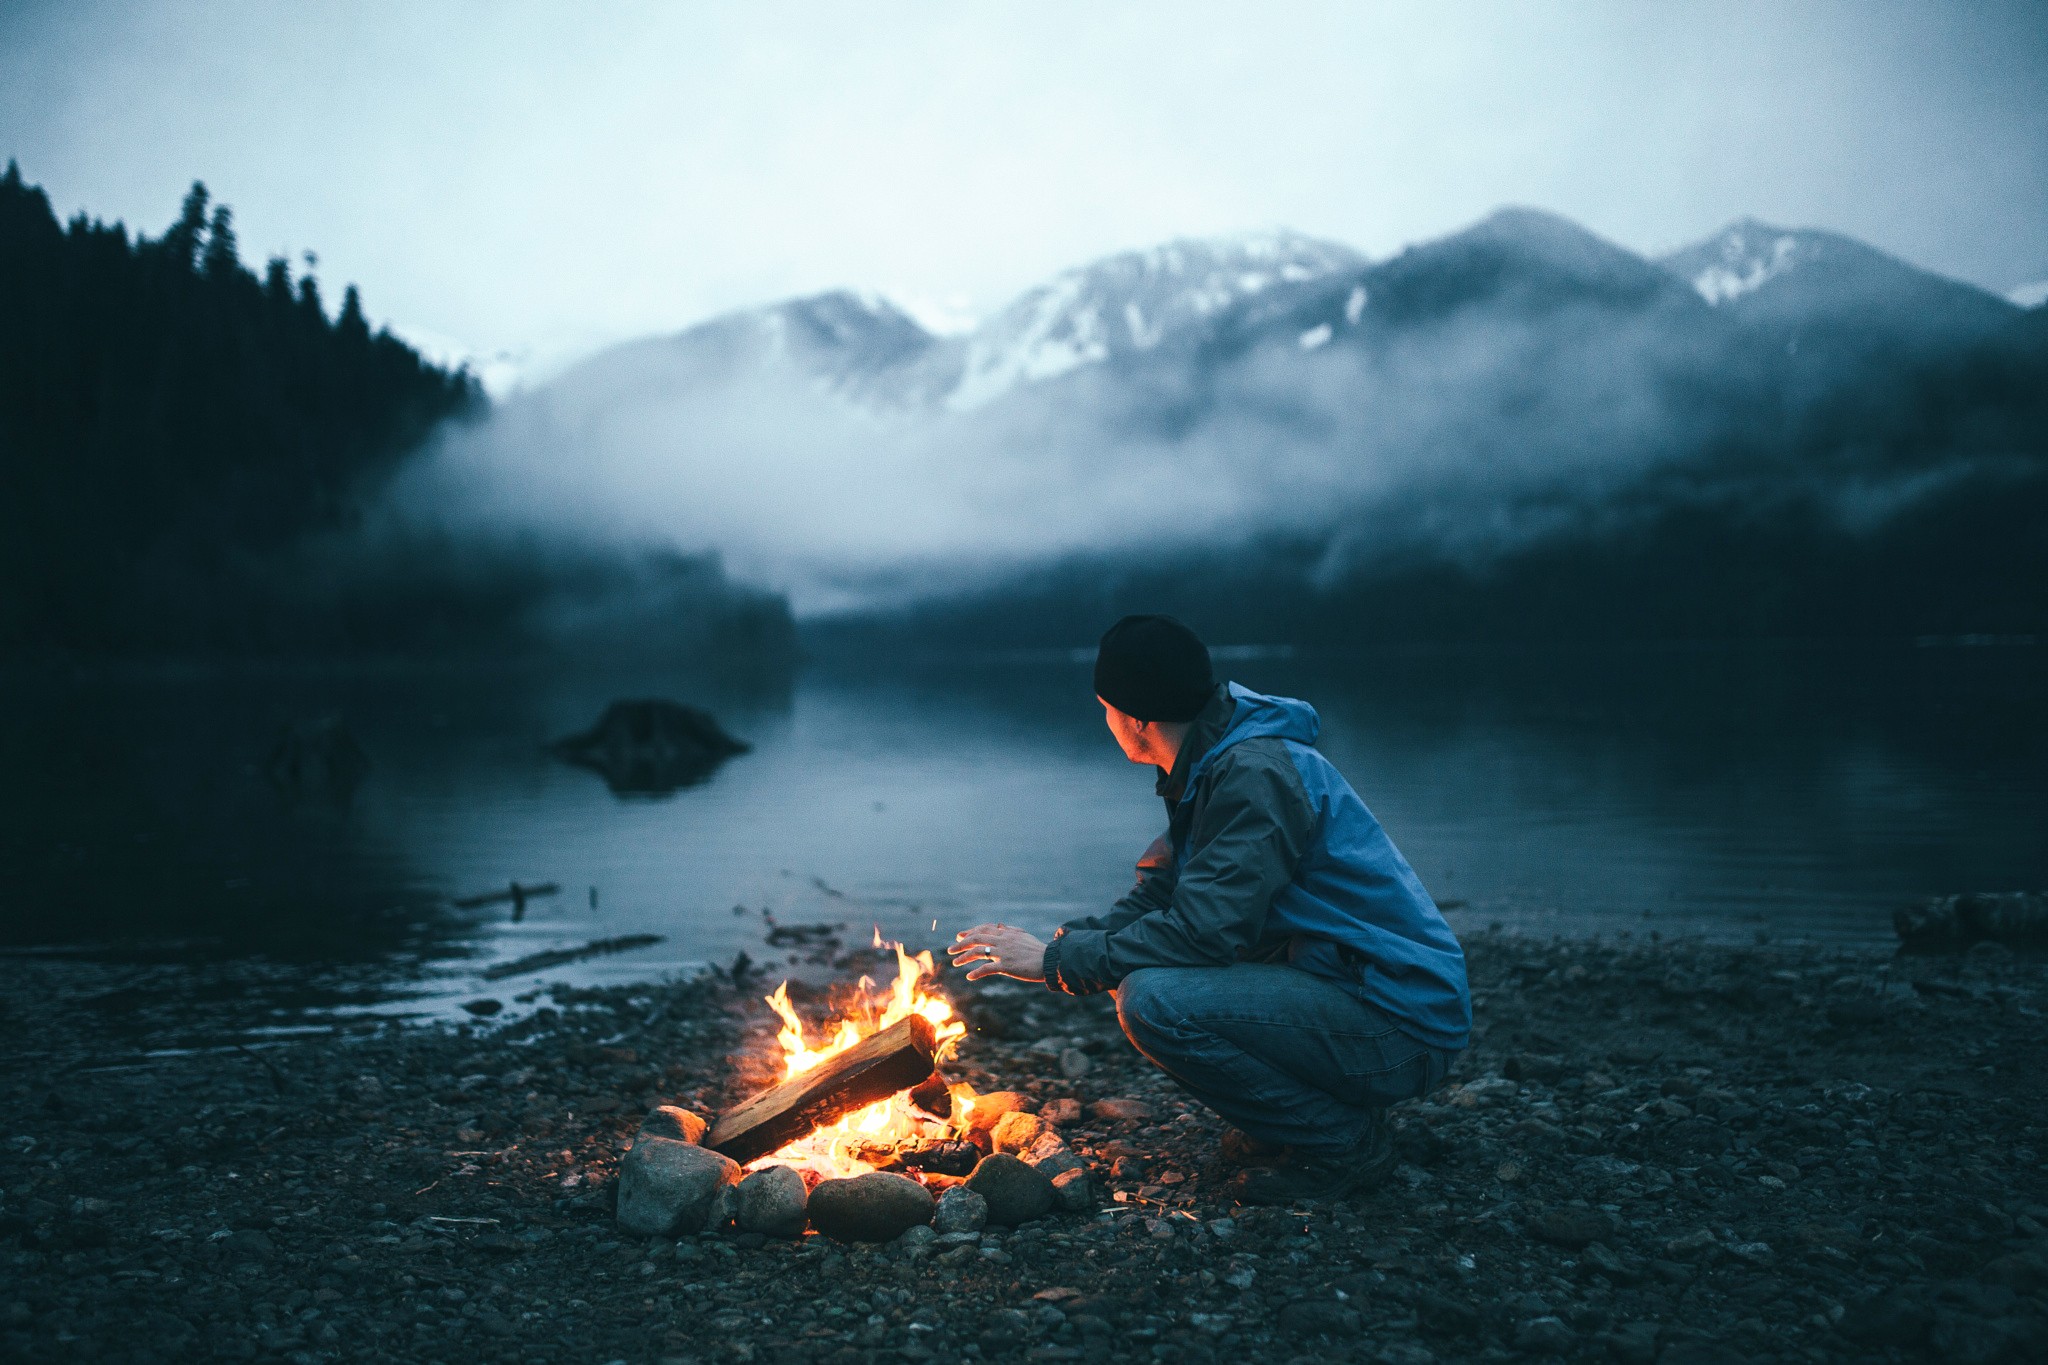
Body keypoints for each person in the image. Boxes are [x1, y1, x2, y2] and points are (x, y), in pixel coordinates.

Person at [948, 614, 1470, 1203]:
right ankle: (1303, 1123)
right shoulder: (1214, 758)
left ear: (1137, 717)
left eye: (1106, 708)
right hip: (1351, 990)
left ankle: (1340, 1141)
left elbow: (1204, 933)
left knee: (1154, 999)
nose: (1105, 721)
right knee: (1137, 975)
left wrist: (1056, 961)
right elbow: (1166, 894)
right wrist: (1064, 943)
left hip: (1401, 1026)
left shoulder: (1251, 774)